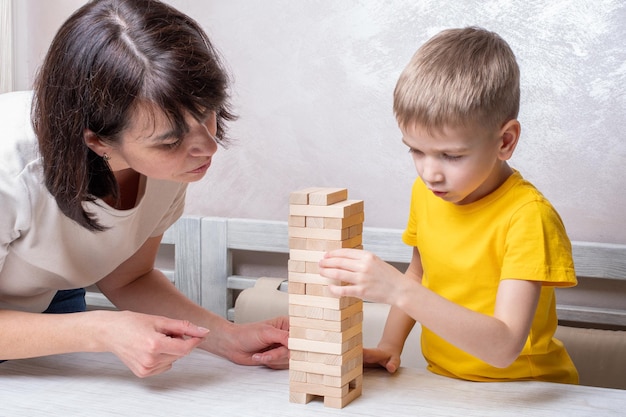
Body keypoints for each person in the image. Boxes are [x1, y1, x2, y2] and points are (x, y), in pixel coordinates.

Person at [0, 0, 288, 377]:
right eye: (170, 142)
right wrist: (102, 329)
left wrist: (227, 337)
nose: (207, 147)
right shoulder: (10, 166)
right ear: (97, 141)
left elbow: (128, 277)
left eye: (206, 114)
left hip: (44, 302)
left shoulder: (172, 165)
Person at [318, 27, 578, 384]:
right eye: (416, 150)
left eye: (451, 156)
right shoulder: (427, 193)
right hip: (445, 383)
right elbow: (419, 274)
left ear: (505, 141)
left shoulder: (528, 216)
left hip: (524, 391)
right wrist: (390, 344)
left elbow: (504, 347)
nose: (430, 173)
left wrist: (396, 290)